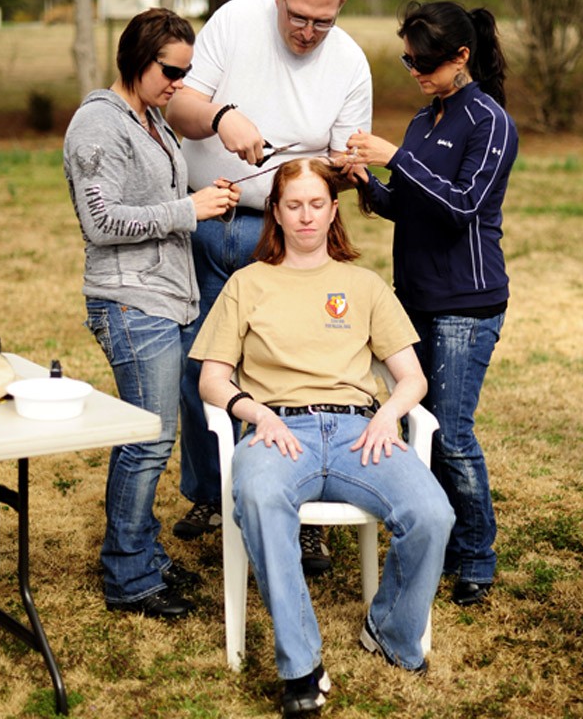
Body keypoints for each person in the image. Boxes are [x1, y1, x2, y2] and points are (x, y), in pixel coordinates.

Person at [189, 158, 455, 716]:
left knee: (433, 514)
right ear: (276, 214)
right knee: (260, 498)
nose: (306, 216)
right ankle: (302, 666)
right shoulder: (247, 283)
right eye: (293, 205)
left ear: (333, 210)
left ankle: (388, 630)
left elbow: (412, 376)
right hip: (280, 428)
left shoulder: (363, 285)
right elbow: (212, 378)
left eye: (317, 204)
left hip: (363, 431)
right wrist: (254, 413)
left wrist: (390, 416)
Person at [165, 0, 373, 573]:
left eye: (323, 22)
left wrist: (331, 168)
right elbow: (178, 108)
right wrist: (222, 117)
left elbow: (341, 168)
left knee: (290, 370)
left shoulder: (351, 63)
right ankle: (210, 492)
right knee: (201, 365)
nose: (308, 32)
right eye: (300, 17)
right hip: (212, 220)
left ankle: (299, 505)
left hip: (287, 234)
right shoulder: (234, 21)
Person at [340, 0, 518, 607]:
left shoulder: (490, 123)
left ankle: (476, 555)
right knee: (419, 423)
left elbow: (463, 205)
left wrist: (395, 158)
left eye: (424, 61)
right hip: (410, 297)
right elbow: (409, 206)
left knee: (452, 433)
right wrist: (368, 182)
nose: (414, 70)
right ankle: (438, 537)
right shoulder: (424, 120)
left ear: (460, 58)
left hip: (465, 304)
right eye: (408, 58)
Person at [63, 8, 240, 619]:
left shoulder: (155, 120)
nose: (178, 85)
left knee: (152, 438)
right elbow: (102, 221)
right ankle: (128, 576)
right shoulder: (96, 126)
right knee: (147, 440)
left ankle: (140, 550)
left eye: (186, 73)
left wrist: (205, 202)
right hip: (130, 302)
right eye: (171, 71)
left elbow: (161, 199)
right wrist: (189, 209)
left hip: (166, 298)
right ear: (136, 58)